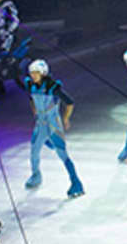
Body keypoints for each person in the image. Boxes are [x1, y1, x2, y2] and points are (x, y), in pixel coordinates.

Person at [24, 59, 84, 197]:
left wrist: (65, 118)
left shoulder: (52, 87)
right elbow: (31, 99)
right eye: (31, 73)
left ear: (43, 73)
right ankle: (36, 176)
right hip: (40, 124)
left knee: (63, 154)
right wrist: (35, 111)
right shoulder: (31, 86)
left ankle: (76, 183)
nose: (33, 75)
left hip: (53, 125)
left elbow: (69, 102)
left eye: (36, 73)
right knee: (34, 151)